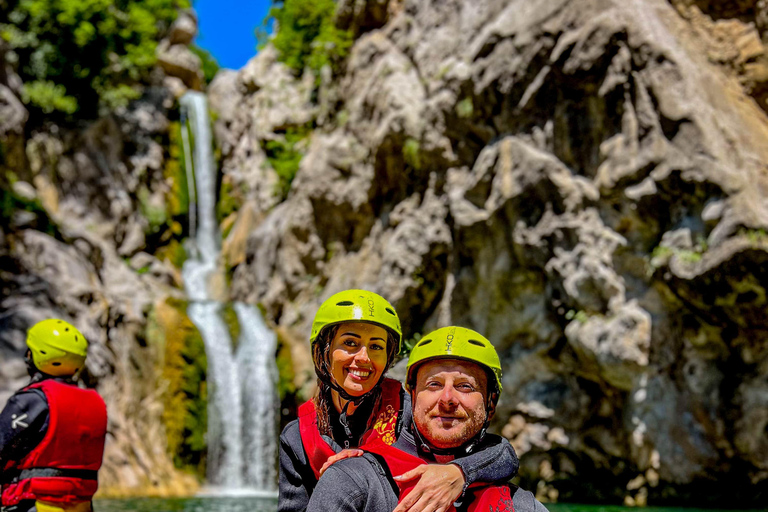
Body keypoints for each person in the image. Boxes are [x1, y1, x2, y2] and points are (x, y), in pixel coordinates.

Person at [279, 291, 519, 512]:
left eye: (376, 347)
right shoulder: (297, 437)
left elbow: (503, 454)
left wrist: (460, 472)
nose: (363, 358)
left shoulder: (410, 409)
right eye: (350, 343)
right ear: (323, 351)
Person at [306, 326, 549, 512]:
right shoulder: (352, 481)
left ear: (490, 404)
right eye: (434, 384)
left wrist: (461, 473)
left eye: (465, 386)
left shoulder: (522, 505)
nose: (447, 399)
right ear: (412, 396)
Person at [0, 319, 107, 512]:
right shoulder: (95, 403)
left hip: (34, 505)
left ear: (34, 356)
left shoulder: (31, 401)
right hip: (82, 507)